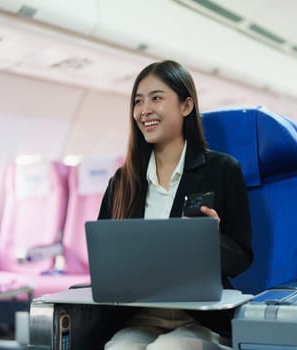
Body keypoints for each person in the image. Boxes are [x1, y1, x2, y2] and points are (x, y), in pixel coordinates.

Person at [97, 60, 253, 350]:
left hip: (201, 320)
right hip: (139, 317)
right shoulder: (123, 181)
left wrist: (209, 238)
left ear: (186, 106)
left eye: (156, 98)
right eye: (138, 101)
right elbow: (104, 261)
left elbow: (242, 259)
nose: (144, 110)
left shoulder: (221, 170)